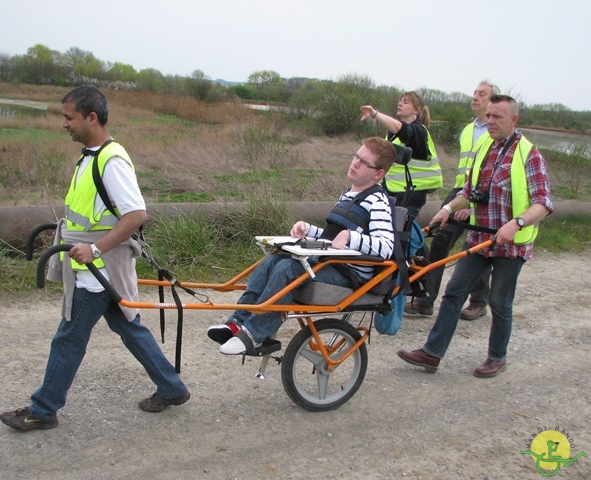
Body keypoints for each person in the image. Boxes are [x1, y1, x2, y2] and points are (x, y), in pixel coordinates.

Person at [0, 86, 189, 431]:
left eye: (68, 117)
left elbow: (135, 214)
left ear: (91, 117)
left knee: (69, 337)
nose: (64, 124)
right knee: (129, 327)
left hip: (99, 268)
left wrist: (95, 249)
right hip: (92, 264)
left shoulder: (110, 160)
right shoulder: (90, 156)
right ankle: (172, 387)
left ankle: (43, 409)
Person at [396, 94, 553, 378]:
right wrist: (447, 208)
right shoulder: (483, 148)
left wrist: (516, 224)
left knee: (499, 303)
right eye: (489, 116)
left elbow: (543, 203)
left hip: (511, 244)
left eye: (497, 117)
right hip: (479, 239)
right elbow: (469, 192)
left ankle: (497, 357)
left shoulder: (529, 154)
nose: (490, 121)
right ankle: (432, 353)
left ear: (513, 120)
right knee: (453, 293)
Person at [207, 137, 396, 355]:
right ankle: (237, 323)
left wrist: (350, 237)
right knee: (272, 260)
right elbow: (331, 239)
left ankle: (256, 334)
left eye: (364, 162)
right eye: (356, 156)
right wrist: (308, 230)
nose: (355, 163)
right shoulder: (348, 195)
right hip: (331, 263)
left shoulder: (378, 201)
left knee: (287, 269)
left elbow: (386, 246)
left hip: (350, 275)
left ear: (378, 174)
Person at [406, 81, 499, 318]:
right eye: (475, 93)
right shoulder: (468, 130)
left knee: (477, 246)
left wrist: (472, 206)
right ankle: (426, 299)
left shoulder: (496, 131)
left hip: (484, 197)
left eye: (482, 94)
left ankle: (478, 302)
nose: (475, 97)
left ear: (493, 101)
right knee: (439, 241)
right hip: (461, 190)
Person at [360, 91, 442, 219]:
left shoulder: (419, 131)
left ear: (416, 110)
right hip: (392, 191)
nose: (400, 104)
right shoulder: (391, 134)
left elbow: (403, 130)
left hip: (410, 195)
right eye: (400, 100)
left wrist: (374, 114)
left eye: (406, 102)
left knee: (399, 235)